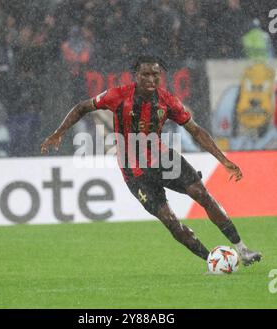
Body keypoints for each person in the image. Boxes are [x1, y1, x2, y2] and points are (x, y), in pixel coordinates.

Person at [41, 55, 262, 267]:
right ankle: (212, 261)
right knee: (171, 222)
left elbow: (196, 131)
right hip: (135, 172)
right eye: (145, 74)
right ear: (135, 75)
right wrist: (58, 133)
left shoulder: (167, 100)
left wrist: (223, 159)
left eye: (155, 74)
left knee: (202, 194)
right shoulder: (117, 95)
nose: (151, 79)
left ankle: (242, 249)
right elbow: (82, 107)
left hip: (164, 160)